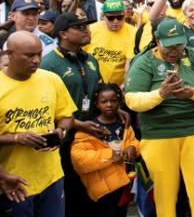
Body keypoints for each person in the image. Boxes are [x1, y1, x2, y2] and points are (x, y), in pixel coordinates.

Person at [124, 19, 194, 217]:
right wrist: (161, 93)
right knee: (164, 193)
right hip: (159, 135)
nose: (175, 51)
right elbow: (132, 99)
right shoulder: (145, 61)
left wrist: (192, 92)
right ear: (158, 41)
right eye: (170, 46)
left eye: (180, 44)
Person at [0, 31, 76, 216]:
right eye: (29, 55)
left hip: (51, 177)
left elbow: (67, 116)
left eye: (39, 54)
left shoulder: (51, 79)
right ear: (9, 54)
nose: (36, 60)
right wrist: (17, 138)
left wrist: (61, 131)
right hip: (13, 182)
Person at [40, 11, 105, 217]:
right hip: (66, 139)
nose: (86, 31)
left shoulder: (91, 59)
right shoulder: (48, 64)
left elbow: (98, 92)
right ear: (63, 34)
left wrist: (116, 111)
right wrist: (79, 124)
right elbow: (48, 109)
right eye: (79, 27)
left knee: (94, 193)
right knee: (72, 194)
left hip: (93, 134)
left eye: (86, 26)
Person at [70, 83, 139, 217]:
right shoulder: (91, 128)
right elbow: (79, 159)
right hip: (102, 188)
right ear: (97, 104)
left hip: (124, 184)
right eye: (104, 101)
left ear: (119, 102)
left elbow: (133, 141)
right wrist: (110, 155)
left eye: (113, 101)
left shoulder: (123, 123)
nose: (109, 105)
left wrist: (133, 148)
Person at [84, 0, 136, 85]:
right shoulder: (91, 29)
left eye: (120, 17)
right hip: (91, 83)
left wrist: (123, 87)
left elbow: (129, 65)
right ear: (103, 16)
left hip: (117, 86)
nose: (116, 21)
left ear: (125, 15)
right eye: (111, 18)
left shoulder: (133, 32)